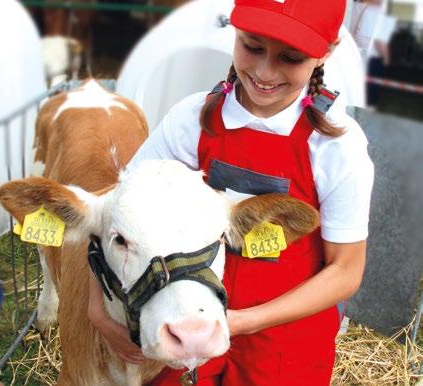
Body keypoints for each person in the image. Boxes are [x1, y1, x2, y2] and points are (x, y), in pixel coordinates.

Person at [88, 0, 374, 384]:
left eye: (290, 58)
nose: (264, 71)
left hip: (285, 339)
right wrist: (97, 306)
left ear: (326, 52)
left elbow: (345, 270)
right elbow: (118, 211)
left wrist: (242, 322)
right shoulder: (191, 120)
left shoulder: (337, 147)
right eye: (252, 47)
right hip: (184, 312)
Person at [348, 0, 397, 106]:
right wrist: (387, 59)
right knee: (368, 92)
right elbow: (380, 42)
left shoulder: (356, 5)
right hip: (371, 56)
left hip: (353, 50)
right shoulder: (381, 11)